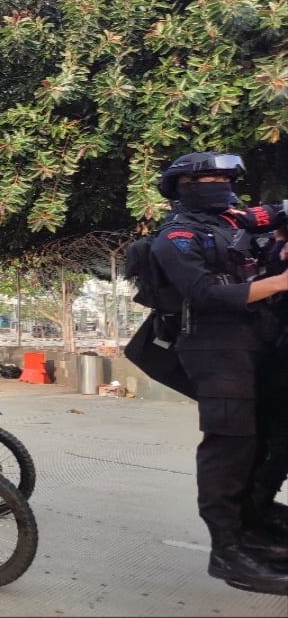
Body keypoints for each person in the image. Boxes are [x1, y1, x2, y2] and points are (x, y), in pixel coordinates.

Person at [151, 151, 288, 594]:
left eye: (227, 177)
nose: (222, 184)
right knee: (231, 445)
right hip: (213, 346)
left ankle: (256, 523)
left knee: (274, 437)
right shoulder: (176, 236)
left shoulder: (235, 221)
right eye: (210, 177)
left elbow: (278, 211)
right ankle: (226, 548)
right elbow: (205, 293)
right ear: (183, 186)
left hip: (257, 340)